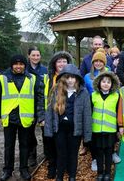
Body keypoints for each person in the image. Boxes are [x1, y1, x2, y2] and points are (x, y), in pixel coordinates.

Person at [0, 55, 44, 181]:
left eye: (21, 64)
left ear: (24, 65)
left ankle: (24, 169)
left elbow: (35, 98)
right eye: (16, 64)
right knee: (9, 146)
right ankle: (7, 170)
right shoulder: (3, 78)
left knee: (25, 145)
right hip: (9, 117)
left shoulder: (32, 78)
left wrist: (35, 115)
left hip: (25, 118)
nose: (18, 66)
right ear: (12, 65)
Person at [44, 64, 92, 181]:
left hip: (75, 130)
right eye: (67, 77)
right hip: (59, 129)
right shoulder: (56, 91)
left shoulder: (83, 92)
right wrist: (49, 131)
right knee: (61, 153)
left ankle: (72, 176)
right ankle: (59, 176)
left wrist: (87, 136)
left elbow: (87, 115)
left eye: (73, 77)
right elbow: (50, 112)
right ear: (63, 78)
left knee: (73, 154)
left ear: (77, 78)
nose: (70, 80)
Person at [44, 51, 73, 179]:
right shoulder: (48, 78)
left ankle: (65, 165)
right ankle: (52, 166)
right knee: (49, 143)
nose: (62, 64)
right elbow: (41, 97)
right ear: (54, 64)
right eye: (59, 61)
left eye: (64, 61)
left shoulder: (72, 78)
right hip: (50, 116)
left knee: (63, 144)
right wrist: (42, 117)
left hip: (64, 117)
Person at [91, 71, 120, 181]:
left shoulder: (116, 96)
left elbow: (118, 113)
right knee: (98, 152)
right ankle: (100, 173)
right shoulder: (93, 96)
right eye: (103, 81)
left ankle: (107, 173)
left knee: (108, 152)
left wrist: (118, 129)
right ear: (99, 83)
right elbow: (90, 112)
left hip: (110, 130)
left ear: (112, 84)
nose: (106, 84)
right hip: (97, 129)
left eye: (108, 82)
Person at [25, 46, 48, 167]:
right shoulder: (24, 69)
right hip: (28, 105)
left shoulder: (45, 70)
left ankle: (47, 153)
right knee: (29, 133)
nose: (35, 57)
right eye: (33, 55)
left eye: (37, 55)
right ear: (28, 56)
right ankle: (31, 155)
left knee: (46, 131)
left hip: (42, 105)